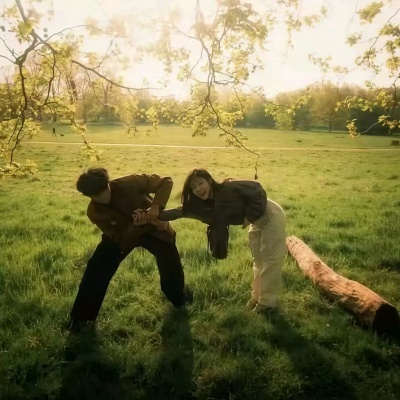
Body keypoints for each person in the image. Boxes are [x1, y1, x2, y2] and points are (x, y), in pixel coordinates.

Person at [68, 167, 191, 332]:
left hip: (153, 228)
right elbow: (119, 238)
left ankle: (179, 300)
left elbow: (165, 182)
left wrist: (155, 207)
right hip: (123, 236)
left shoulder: (130, 182)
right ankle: (81, 319)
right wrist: (135, 225)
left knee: (170, 263)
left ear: (108, 183)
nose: (103, 196)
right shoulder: (95, 212)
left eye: (104, 190)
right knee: (96, 268)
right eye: (96, 195)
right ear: (88, 196)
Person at [149, 168, 287, 313]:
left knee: (270, 260)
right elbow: (179, 212)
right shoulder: (204, 205)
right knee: (258, 261)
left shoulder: (227, 187)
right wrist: (151, 214)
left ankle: (267, 303)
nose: (198, 189)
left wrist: (249, 215)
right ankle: (257, 297)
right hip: (256, 222)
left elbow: (257, 189)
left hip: (270, 215)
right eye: (193, 187)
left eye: (200, 183)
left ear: (209, 180)